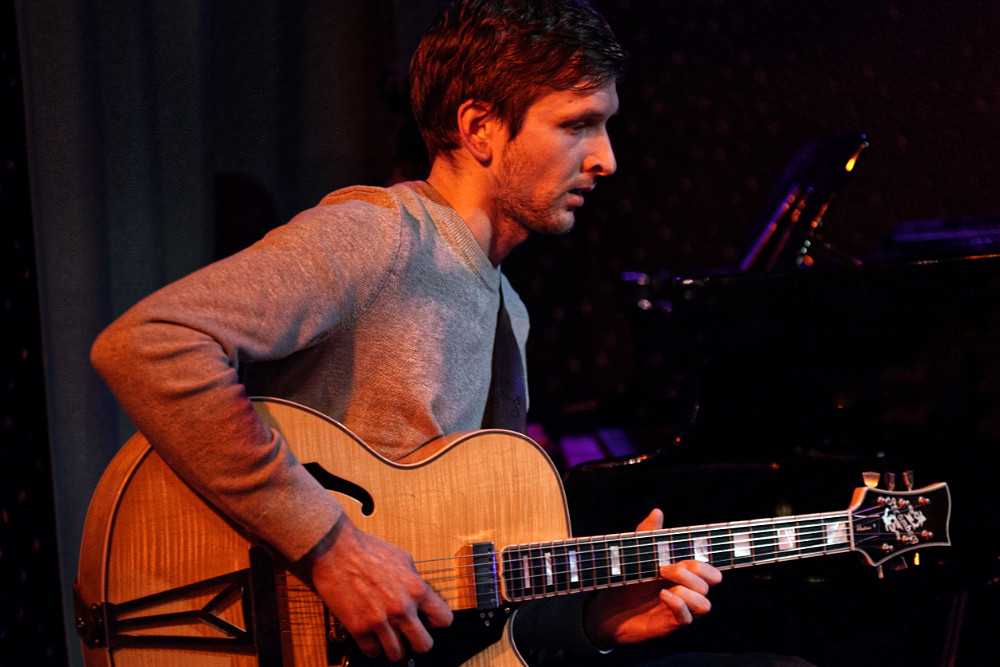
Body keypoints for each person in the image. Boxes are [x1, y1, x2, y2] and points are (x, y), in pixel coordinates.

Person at [91, 0, 728, 663]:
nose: (606, 159)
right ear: (480, 127)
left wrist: (595, 621)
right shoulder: (379, 236)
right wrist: (333, 548)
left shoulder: (511, 311)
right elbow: (150, 342)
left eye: (605, 126)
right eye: (578, 125)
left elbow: (469, 602)